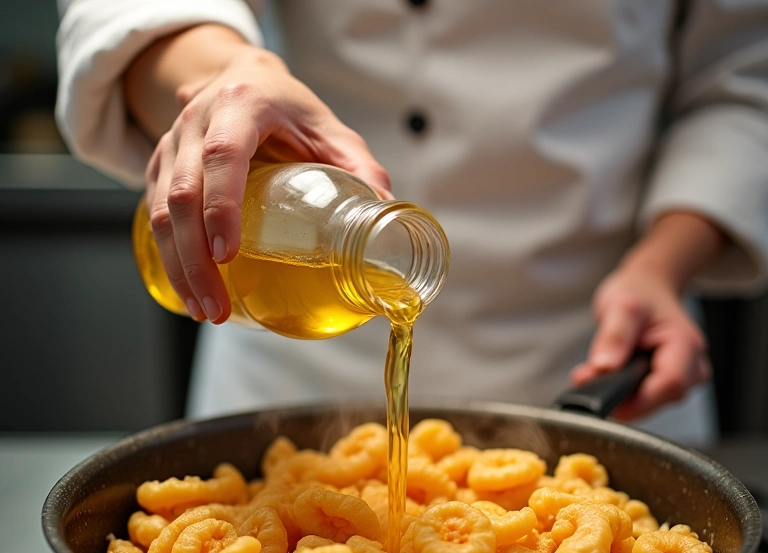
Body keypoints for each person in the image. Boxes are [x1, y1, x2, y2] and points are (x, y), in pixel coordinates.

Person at [55, 0, 768, 446]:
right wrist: (225, 73)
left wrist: (661, 265)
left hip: (588, 352)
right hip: (288, 380)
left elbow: (747, 74)